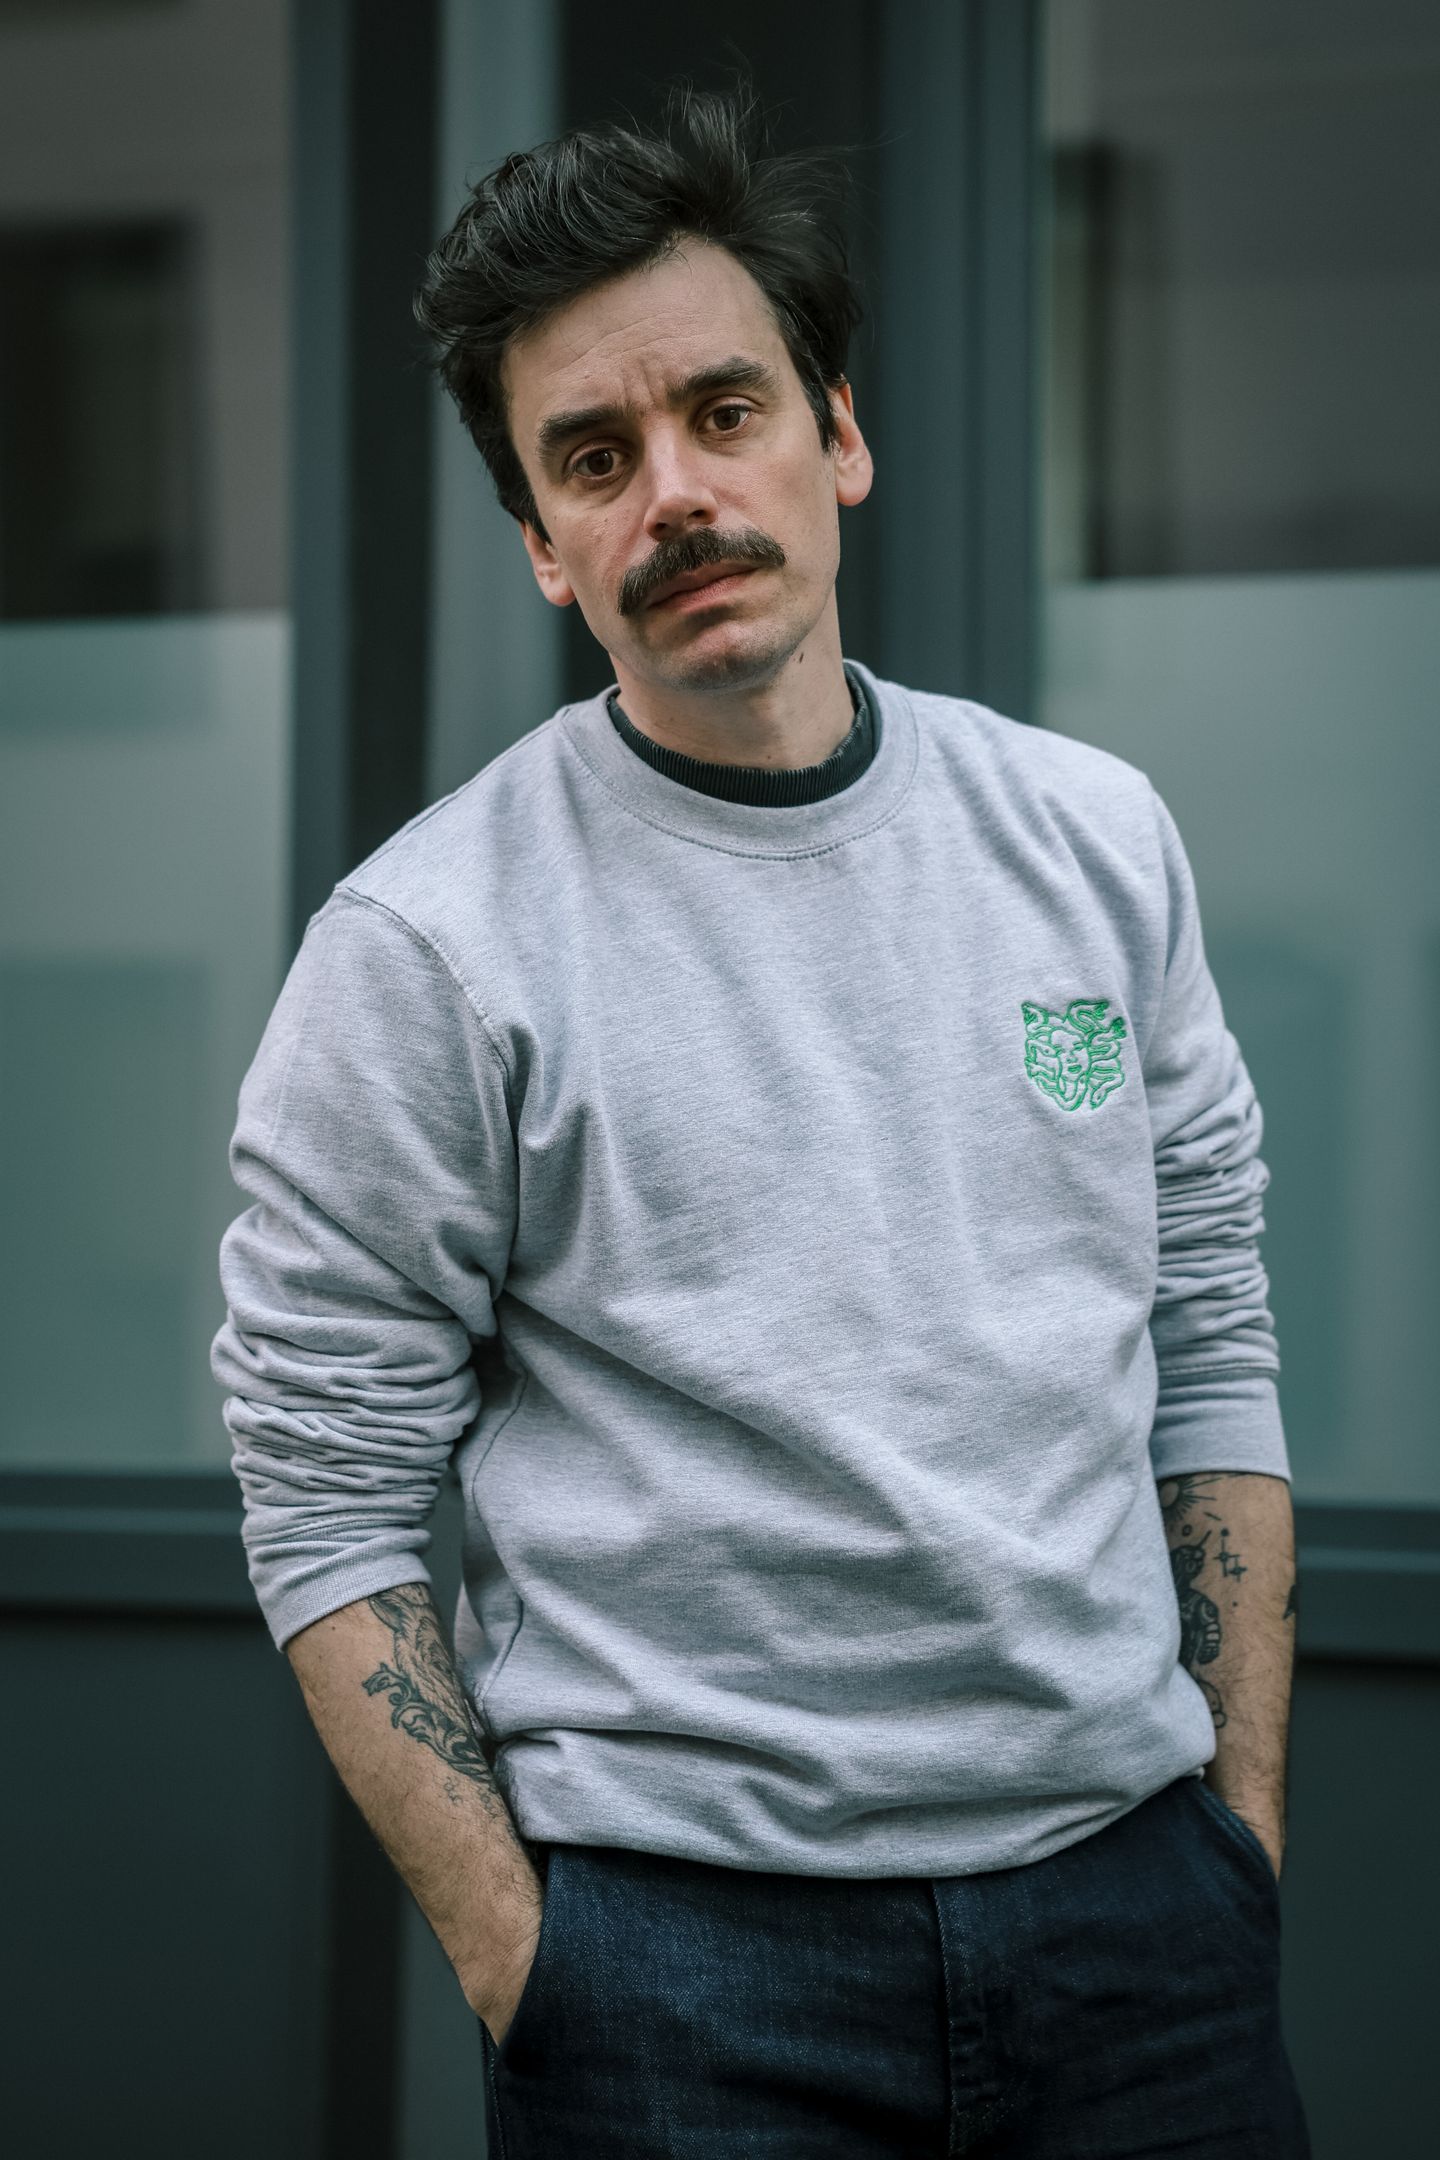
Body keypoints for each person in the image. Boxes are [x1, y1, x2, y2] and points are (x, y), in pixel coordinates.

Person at [211, 78, 1311, 2157]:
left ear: (841, 436)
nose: (677, 498)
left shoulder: (1092, 840)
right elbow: (323, 1489)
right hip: (683, 1984)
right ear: (543, 547)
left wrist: (1238, 1830)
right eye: (594, 459)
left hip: (1143, 1925)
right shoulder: (430, 947)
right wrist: (523, 1959)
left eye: (726, 412)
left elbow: (1208, 1324)